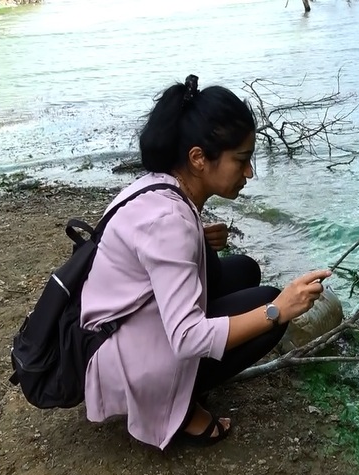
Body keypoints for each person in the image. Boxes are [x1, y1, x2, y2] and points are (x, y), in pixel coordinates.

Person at [78, 74, 331, 449]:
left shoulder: (158, 186)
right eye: (242, 161)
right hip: (117, 359)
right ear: (198, 158)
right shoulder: (170, 224)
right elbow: (186, 337)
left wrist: (197, 235)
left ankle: (176, 389)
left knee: (244, 270)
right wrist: (279, 309)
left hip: (115, 327)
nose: (249, 173)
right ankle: (175, 412)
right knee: (269, 311)